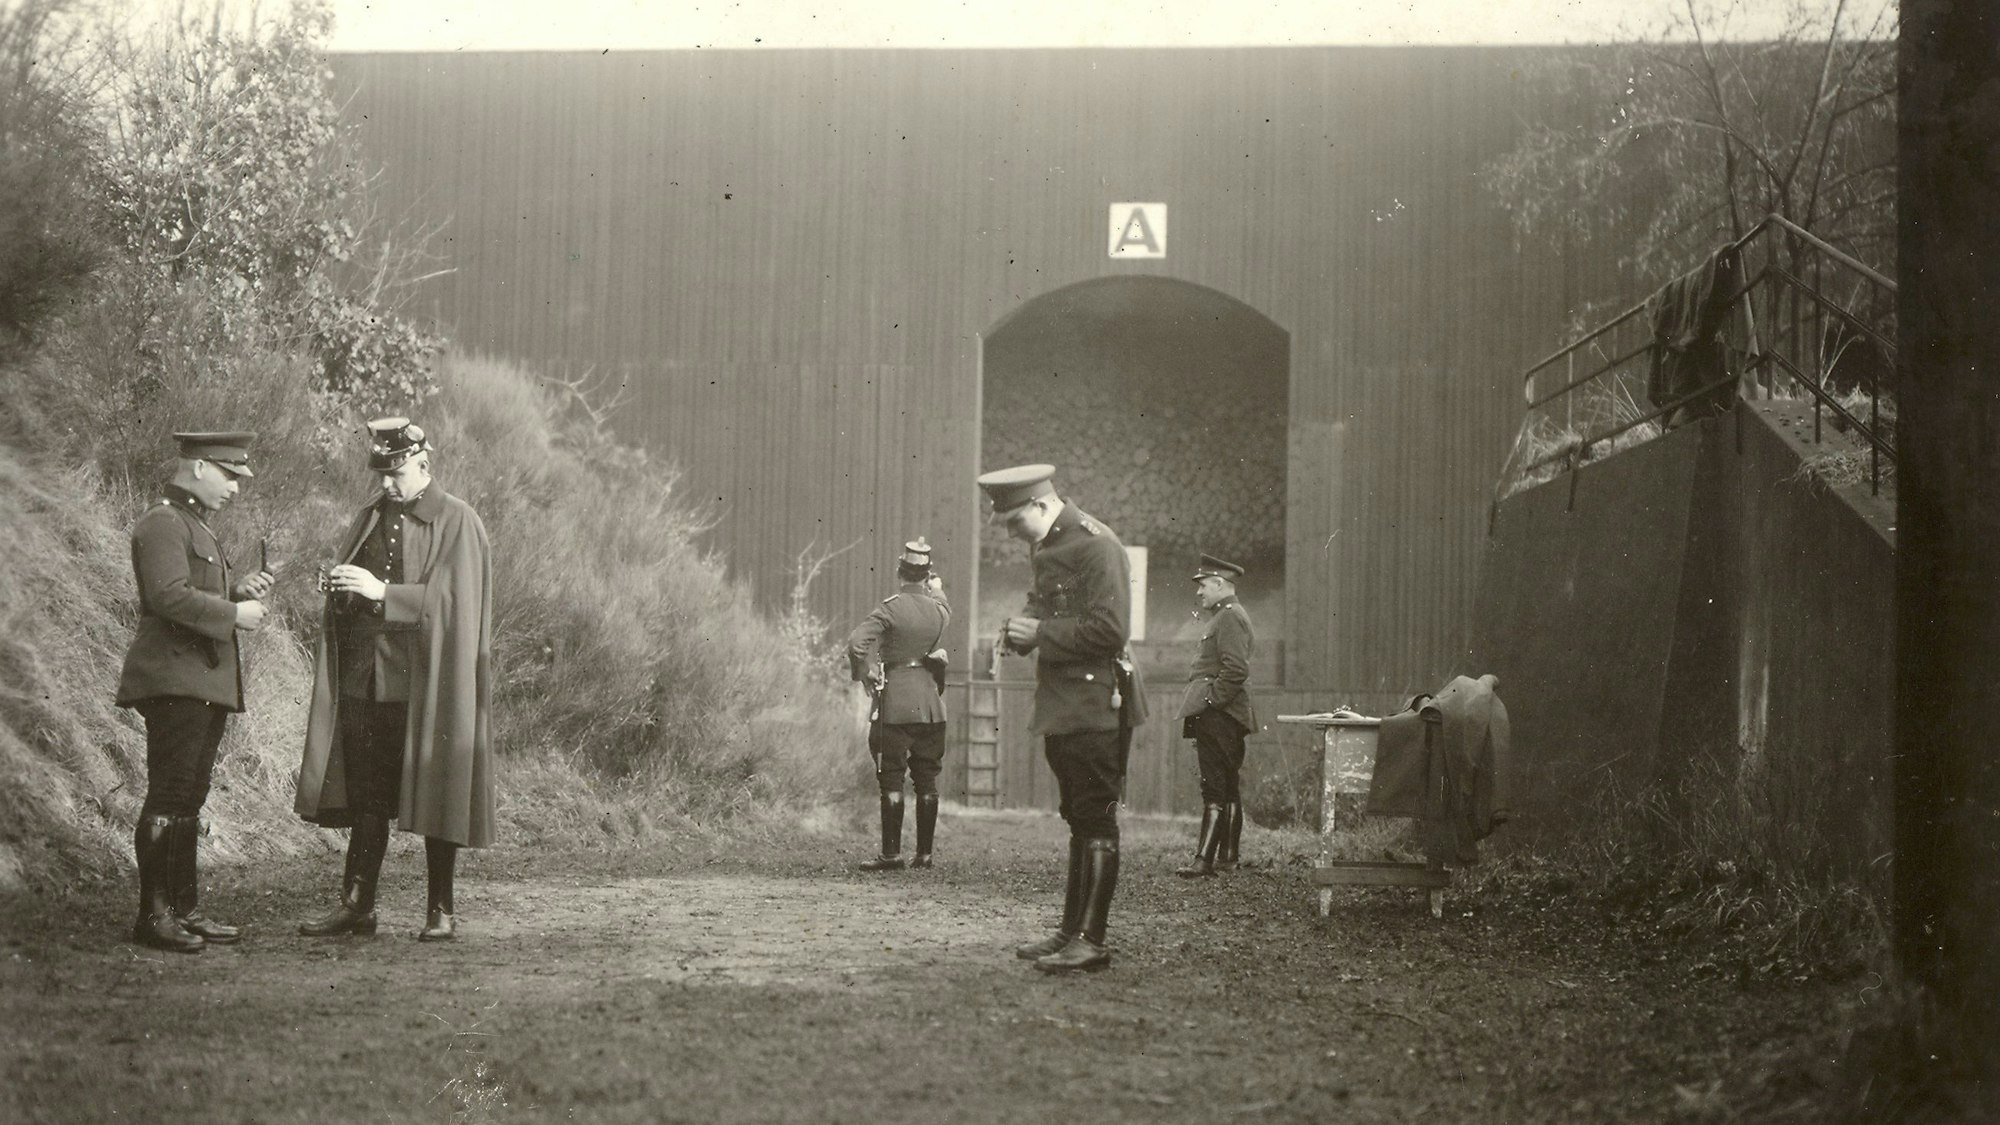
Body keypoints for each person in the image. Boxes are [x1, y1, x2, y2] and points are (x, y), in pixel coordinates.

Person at [295, 417, 495, 942]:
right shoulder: (371, 515)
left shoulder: (458, 521)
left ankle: (441, 910)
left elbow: (456, 605)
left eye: (395, 473)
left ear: (424, 463)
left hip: (427, 683)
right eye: (380, 473)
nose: (386, 484)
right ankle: (357, 907)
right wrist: (340, 587)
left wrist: (382, 592)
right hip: (368, 677)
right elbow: (359, 591)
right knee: (366, 794)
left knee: (435, 790)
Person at [980, 463, 1147, 974]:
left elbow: (1112, 630)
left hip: (1097, 706)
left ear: (1038, 505)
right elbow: (1046, 601)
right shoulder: (1047, 545)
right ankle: (1070, 932)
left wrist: (1041, 637)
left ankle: (1091, 940)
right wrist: (1018, 626)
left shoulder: (1098, 545)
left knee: (1095, 817)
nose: (1010, 533)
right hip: (1064, 704)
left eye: (1012, 522)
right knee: (1078, 818)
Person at [116, 431, 272, 952]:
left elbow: (189, 592)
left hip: (198, 681)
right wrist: (233, 614)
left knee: (190, 797)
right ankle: (154, 916)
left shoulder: (190, 523)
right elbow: (167, 597)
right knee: (170, 794)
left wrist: (234, 592)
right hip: (175, 681)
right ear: (200, 467)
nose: (235, 488)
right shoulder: (163, 522)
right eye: (229, 475)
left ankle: (183, 910)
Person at [845, 537, 951, 871]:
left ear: (898, 571)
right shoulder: (939, 610)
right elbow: (945, 607)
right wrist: (937, 588)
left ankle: (891, 855)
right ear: (928, 574)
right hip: (931, 704)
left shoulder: (890, 607)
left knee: (891, 777)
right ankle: (925, 854)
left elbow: (856, 643)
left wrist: (864, 674)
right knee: (927, 778)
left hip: (895, 705)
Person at [1175, 554, 1257, 877]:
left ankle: (1204, 861)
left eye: (1204, 585)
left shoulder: (1229, 617)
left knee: (1215, 786)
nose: (1199, 592)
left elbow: (1236, 669)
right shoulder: (1229, 615)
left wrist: (1210, 701)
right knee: (1227, 784)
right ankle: (1228, 857)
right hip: (1226, 713)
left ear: (1220, 584)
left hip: (1220, 714)